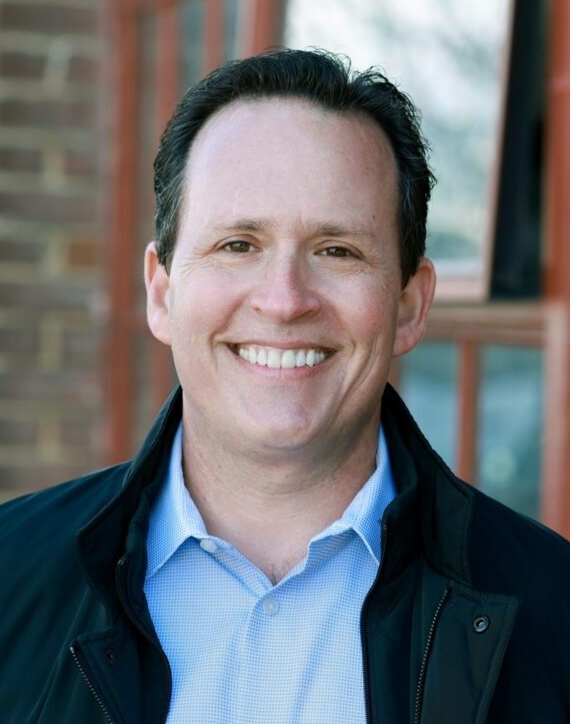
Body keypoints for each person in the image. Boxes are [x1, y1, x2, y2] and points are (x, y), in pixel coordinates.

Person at [1, 48, 569, 724]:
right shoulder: (10, 576)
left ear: (411, 304)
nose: (285, 299)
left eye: (337, 250)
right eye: (238, 244)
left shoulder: (554, 608)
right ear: (161, 291)